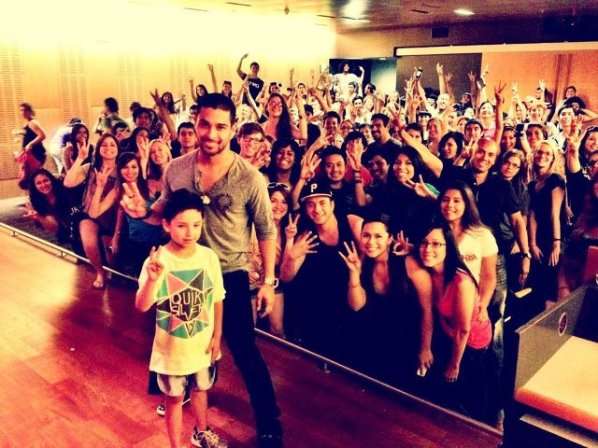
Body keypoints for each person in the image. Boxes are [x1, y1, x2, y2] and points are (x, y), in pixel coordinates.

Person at [124, 92, 283, 448]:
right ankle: (178, 396)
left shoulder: (250, 178)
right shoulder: (177, 168)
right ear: (195, 123)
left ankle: (270, 425)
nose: (212, 133)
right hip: (183, 271)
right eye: (205, 124)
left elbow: (266, 230)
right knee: (179, 340)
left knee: (244, 350)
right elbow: (164, 212)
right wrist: (142, 211)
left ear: (233, 129)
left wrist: (269, 281)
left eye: (221, 127)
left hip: (229, 272)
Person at [136, 189, 227, 448]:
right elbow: (142, 306)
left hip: (202, 344)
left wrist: (217, 335)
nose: (190, 232)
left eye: (196, 225)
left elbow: (217, 298)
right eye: (182, 225)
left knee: (201, 389)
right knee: (174, 399)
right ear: (166, 225)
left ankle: (201, 432)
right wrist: (152, 280)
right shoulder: (158, 261)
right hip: (170, 350)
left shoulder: (208, 257)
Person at [408, 225, 492, 421]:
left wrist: (454, 365)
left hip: (471, 342)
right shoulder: (433, 270)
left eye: (436, 244)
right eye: (424, 243)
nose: (428, 249)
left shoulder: (461, 282)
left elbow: (463, 330)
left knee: (449, 388)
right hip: (449, 333)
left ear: (450, 247)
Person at [280, 181, 362, 360]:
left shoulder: (352, 223)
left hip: (348, 304)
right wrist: (292, 256)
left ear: (332, 205)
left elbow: (375, 245)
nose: (317, 209)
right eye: (310, 204)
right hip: (315, 310)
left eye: (322, 203)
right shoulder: (305, 235)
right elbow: (285, 277)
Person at [338, 214, 421, 387]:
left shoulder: (408, 263)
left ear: (389, 239)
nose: (371, 241)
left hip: (405, 342)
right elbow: (356, 306)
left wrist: (425, 348)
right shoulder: (360, 261)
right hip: (372, 339)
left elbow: (427, 310)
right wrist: (354, 275)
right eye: (366, 235)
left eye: (378, 236)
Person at [25, 168, 71, 242]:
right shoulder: (39, 202)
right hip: (66, 234)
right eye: (39, 183)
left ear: (51, 180)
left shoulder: (64, 190)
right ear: (35, 187)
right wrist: (38, 217)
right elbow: (54, 227)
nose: (43, 185)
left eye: (45, 180)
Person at [14, 102, 47, 190]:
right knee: (30, 177)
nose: (22, 112)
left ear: (29, 111)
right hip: (31, 154)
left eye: (24, 110)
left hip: (35, 154)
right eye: (21, 110)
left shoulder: (32, 122)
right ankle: (34, 195)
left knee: (34, 177)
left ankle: (37, 195)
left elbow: (42, 135)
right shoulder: (28, 122)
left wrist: (30, 144)